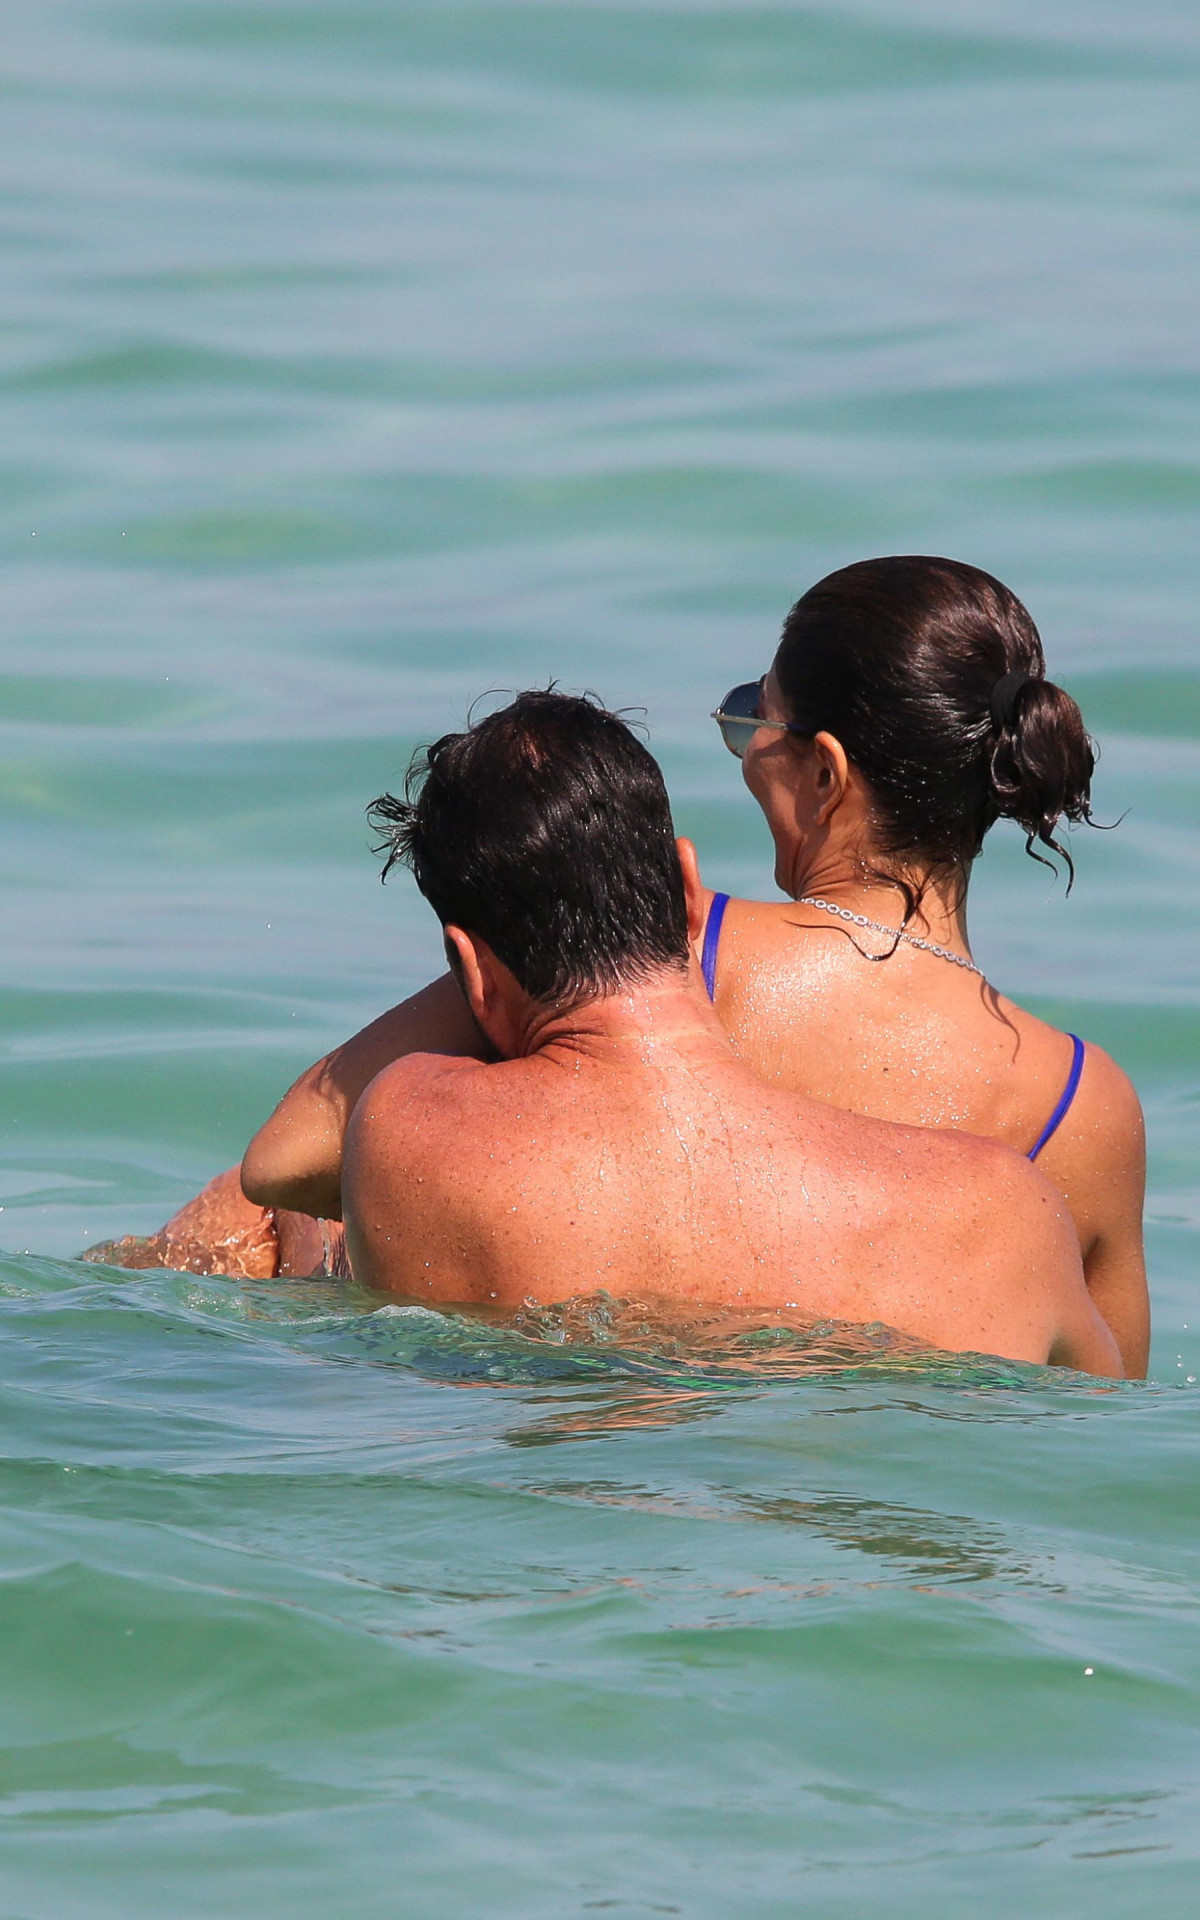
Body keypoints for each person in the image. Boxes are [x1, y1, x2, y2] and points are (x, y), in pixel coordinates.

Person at [239, 559, 1148, 1374]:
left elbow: (294, 1153)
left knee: (265, 1220)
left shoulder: (678, 946)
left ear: (826, 774)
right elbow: (1107, 1405)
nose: (746, 747)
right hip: (864, 1432)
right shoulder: (1086, 1103)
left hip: (601, 1385)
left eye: (756, 717)